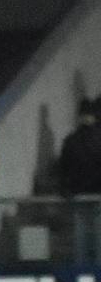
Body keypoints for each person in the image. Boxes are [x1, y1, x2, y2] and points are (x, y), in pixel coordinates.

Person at [57, 100, 101, 263]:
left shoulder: (71, 140)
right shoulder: (98, 138)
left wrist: (65, 188)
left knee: (81, 235)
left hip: (78, 193)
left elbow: (63, 167)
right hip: (96, 194)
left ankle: (82, 269)